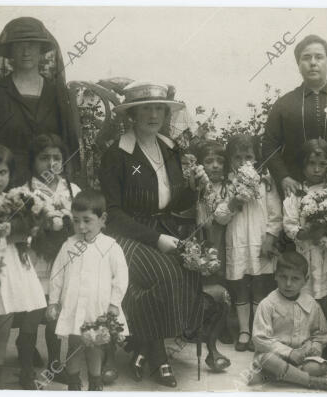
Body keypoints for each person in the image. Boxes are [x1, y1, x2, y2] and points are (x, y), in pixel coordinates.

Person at [98, 81, 227, 387]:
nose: (153, 115)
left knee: (190, 268)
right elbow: (113, 215)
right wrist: (156, 239)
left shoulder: (170, 148)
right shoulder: (117, 154)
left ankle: (142, 344)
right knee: (165, 275)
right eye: (146, 109)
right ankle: (157, 354)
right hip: (126, 234)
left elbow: (174, 202)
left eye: (159, 108)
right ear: (133, 114)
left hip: (165, 227)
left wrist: (193, 191)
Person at [0, 143, 49, 390]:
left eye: (2, 172)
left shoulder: (15, 199)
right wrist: (4, 236)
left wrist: (24, 231)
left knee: (4, 325)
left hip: (13, 267)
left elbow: (27, 234)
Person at [0, 17, 79, 187]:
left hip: (49, 181)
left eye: (32, 44)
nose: (26, 51)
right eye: (19, 45)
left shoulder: (56, 93)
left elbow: (67, 142)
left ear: (41, 50)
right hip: (8, 181)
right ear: (10, 51)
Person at [262, 34, 327, 197]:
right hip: (297, 190)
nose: (312, 63)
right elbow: (269, 145)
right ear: (298, 64)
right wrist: (284, 177)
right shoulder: (284, 104)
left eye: (319, 57)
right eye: (306, 58)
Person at [47, 190, 129, 391]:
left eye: (87, 220)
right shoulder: (68, 245)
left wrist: (114, 303)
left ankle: (95, 382)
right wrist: (53, 302)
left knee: (94, 348)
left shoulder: (111, 247)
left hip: (97, 310)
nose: (81, 227)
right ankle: (74, 384)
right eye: (76, 221)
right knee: (74, 346)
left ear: (102, 219)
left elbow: (121, 278)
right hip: (74, 308)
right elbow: (57, 275)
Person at [214, 134, 282, 353]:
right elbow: (220, 217)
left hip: (260, 240)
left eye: (249, 157)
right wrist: (234, 201)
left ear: (257, 157)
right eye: (238, 157)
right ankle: (243, 331)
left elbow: (275, 214)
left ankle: (256, 330)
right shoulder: (226, 184)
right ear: (230, 159)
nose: (244, 162)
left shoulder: (265, 183)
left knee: (260, 285)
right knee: (240, 285)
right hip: (237, 240)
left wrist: (270, 238)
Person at [25, 133, 81, 384]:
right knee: (34, 310)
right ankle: (26, 366)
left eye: (56, 158)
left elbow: (82, 221)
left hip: (63, 258)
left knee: (55, 310)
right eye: (44, 158)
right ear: (33, 161)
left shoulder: (71, 189)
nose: (51, 164)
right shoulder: (25, 190)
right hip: (35, 258)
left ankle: (55, 362)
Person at [282, 138, 327, 369]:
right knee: (306, 301)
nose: (317, 169)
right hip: (306, 255)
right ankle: (307, 347)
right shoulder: (295, 195)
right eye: (311, 164)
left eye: (322, 164)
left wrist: (326, 231)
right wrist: (308, 232)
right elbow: (290, 227)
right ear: (303, 166)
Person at [251, 251, 327, 392]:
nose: (288, 284)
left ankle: (283, 376)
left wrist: (315, 347)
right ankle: (314, 382)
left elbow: (321, 334)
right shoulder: (267, 304)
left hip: (302, 359)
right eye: (283, 277)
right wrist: (288, 353)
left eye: (295, 279)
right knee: (267, 360)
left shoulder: (311, 304)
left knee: (320, 366)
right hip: (276, 356)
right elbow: (260, 339)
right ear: (275, 276)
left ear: (305, 280)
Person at [191, 140, 233, 370]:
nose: (215, 166)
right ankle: (200, 323)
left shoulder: (227, 188)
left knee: (221, 275)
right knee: (202, 277)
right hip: (201, 236)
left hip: (220, 236)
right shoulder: (197, 187)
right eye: (209, 161)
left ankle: (222, 323)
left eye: (220, 162)